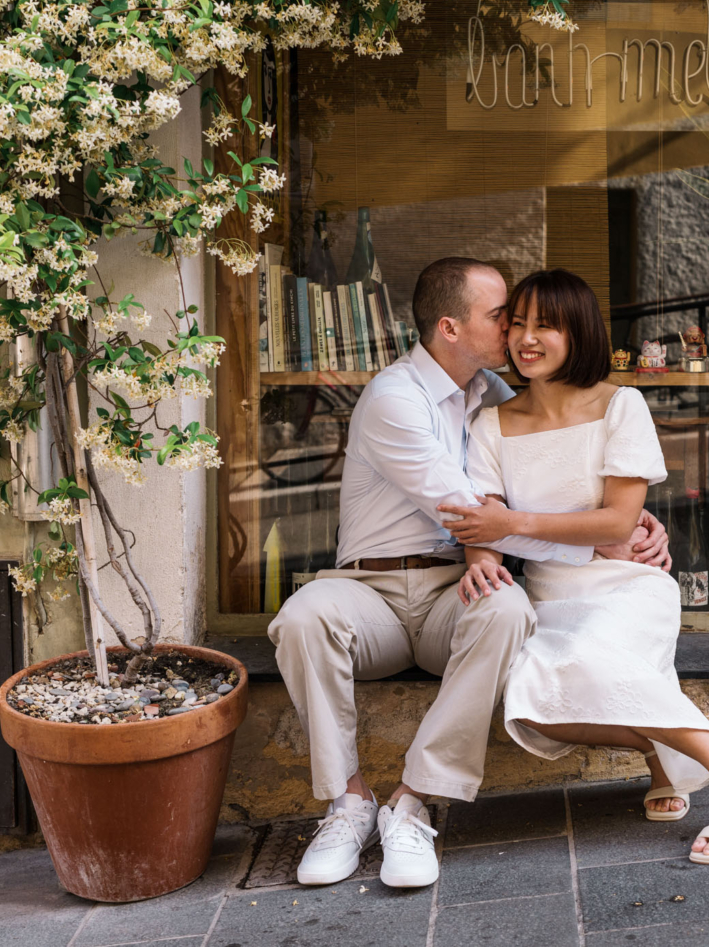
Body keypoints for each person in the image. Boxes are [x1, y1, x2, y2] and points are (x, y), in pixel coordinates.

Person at [267, 257, 671, 889]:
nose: (514, 328)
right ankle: (347, 802)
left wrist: (634, 521)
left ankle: (414, 799)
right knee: (301, 617)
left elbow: (551, 473)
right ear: (451, 328)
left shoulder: (493, 393)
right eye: (500, 315)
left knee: (507, 610)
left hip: (451, 592)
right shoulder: (394, 397)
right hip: (368, 590)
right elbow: (474, 512)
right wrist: (599, 541)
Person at [439, 268, 709, 865]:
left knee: (586, 662)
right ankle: (660, 754)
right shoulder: (489, 422)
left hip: (626, 585)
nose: (526, 338)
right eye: (516, 323)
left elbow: (620, 524)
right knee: (532, 701)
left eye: (545, 325)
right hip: (549, 591)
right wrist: (483, 555)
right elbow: (481, 524)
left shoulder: (622, 404)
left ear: (580, 333)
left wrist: (513, 524)